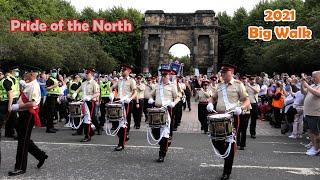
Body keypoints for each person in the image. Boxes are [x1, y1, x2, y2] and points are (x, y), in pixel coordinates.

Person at [207, 64, 250, 180]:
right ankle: (226, 156)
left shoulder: (238, 84)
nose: (223, 75)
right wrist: (210, 103)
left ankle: (227, 171)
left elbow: (246, 100)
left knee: (229, 142)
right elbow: (213, 97)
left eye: (225, 73)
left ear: (231, 73)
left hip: (232, 117)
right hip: (219, 116)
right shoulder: (220, 85)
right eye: (222, 73)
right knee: (216, 140)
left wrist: (241, 108)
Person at [8, 70, 48, 176]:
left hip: (28, 115)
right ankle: (40, 155)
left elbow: (33, 102)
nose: (24, 75)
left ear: (32, 74)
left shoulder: (34, 86)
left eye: (26, 73)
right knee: (24, 139)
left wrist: (18, 106)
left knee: (23, 142)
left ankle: (20, 167)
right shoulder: (29, 84)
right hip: (22, 114)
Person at [148, 64, 179, 162]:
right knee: (155, 132)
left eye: (165, 75)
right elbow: (151, 95)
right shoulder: (157, 86)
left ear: (169, 75)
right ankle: (164, 143)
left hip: (166, 111)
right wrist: (150, 99)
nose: (163, 77)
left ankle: (162, 154)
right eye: (162, 75)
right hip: (156, 110)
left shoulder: (172, 86)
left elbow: (177, 97)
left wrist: (173, 102)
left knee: (164, 132)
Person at [111, 64, 137, 151]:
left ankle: (121, 144)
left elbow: (135, 92)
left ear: (129, 71)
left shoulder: (131, 81)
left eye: (124, 70)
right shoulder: (120, 80)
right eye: (122, 70)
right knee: (115, 122)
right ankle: (124, 136)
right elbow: (112, 87)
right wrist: (111, 92)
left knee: (122, 123)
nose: (122, 71)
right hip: (118, 102)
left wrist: (130, 98)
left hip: (126, 102)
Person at [72, 68, 101, 142]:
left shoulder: (94, 83)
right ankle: (90, 132)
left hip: (90, 102)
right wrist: (75, 93)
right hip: (84, 102)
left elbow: (97, 93)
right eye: (86, 73)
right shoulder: (84, 83)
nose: (86, 75)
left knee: (87, 119)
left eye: (87, 74)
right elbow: (79, 89)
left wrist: (90, 97)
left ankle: (87, 136)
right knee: (86, 119)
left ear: (91, 74)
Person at [301, 71, 320, 156]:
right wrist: (303, 84)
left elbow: (318, 93)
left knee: (316, 133)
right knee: (311, 131)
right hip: (308, 112)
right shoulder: (312, 85)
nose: (312, 79)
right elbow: (304, 92)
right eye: (312, 77)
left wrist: (307, 85)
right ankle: (314, 146)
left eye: (314, 77)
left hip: (316, 113)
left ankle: (317, 148)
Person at [45, 69, 60, 133]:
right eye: (53, 72)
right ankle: (49, 128)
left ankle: (52, 127)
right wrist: (54, 85)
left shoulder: (55, 79)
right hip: (50, 97)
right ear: (51, 73)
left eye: (55, 72)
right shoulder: (49, 79)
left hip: (54, 97)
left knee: (53, 112)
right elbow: (46, 88)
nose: (55, 73)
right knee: (50, 113)